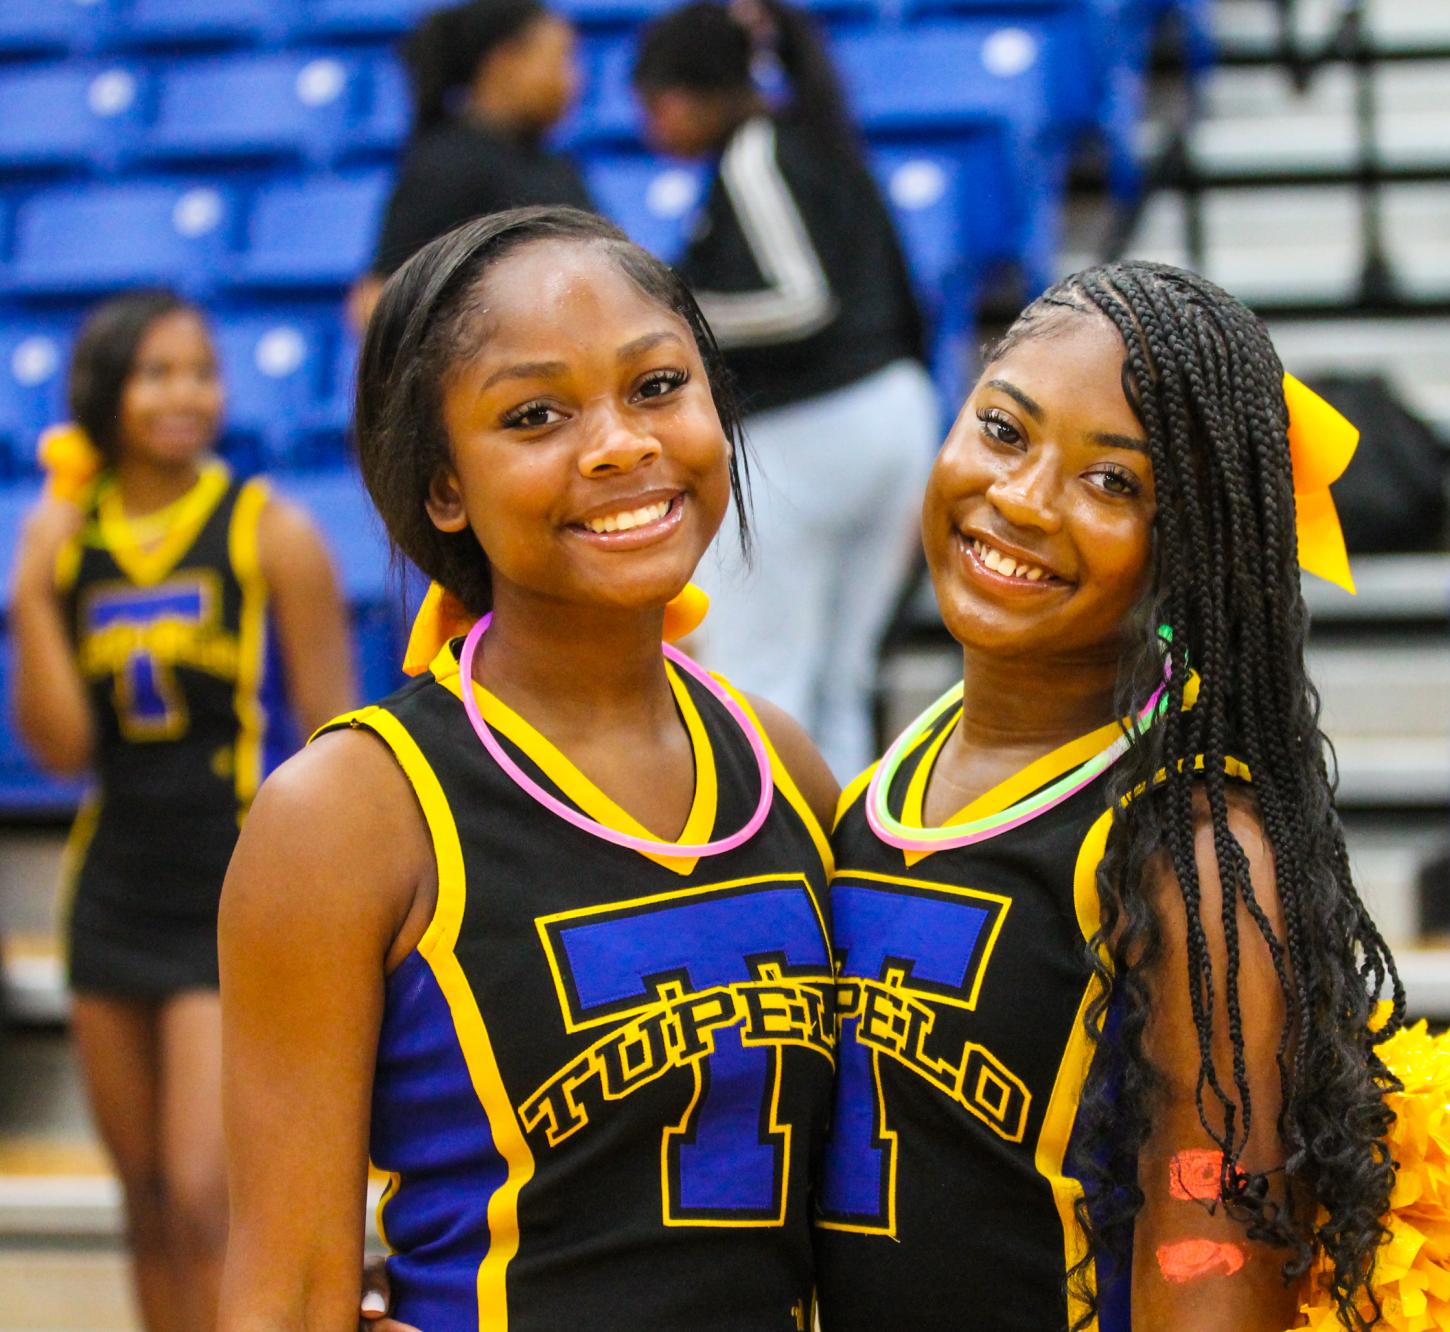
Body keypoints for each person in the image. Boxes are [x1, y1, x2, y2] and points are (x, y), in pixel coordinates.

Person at [218, 207, 841, 1331]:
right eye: (536, 414)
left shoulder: (785, 765)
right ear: (443, 488)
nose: (619, 443)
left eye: (657, 386)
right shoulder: (349, 816)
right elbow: (289, 1291)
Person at [811, 261, 1403, 1330]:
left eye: (1114, 483)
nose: (1023, 500)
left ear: (1195, 551)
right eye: (1003, 430)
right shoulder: (877, 785)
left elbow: (1216, 1248)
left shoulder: (1197, 852)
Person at [7, 291, 354, 1332]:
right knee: (147, 1201)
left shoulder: (268, 531)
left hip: (231, 883)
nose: (186, 393)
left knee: (208, 1195)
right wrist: (30, 589)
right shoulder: (70, 544)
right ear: (107, 394)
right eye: (158, 372)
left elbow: (339, 733)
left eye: (201, 370)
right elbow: (63, 749)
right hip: (111, 884)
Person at [633, 1, 937, 780]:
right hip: (893, 416)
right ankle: (840, 872)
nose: (649, 125)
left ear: (686, 95)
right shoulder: (820, 139)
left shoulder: (756, 154)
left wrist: (669, 320)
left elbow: (802, 297)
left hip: (811, 430)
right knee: (839, 680)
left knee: (756, 678)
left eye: (652, 103)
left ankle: (770, 880)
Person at [347, 0, 591, 330]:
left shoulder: (555, 165)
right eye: (560, 59)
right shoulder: (448, 164)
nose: (574, 80)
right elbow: (376, 301)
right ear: (506, 61)